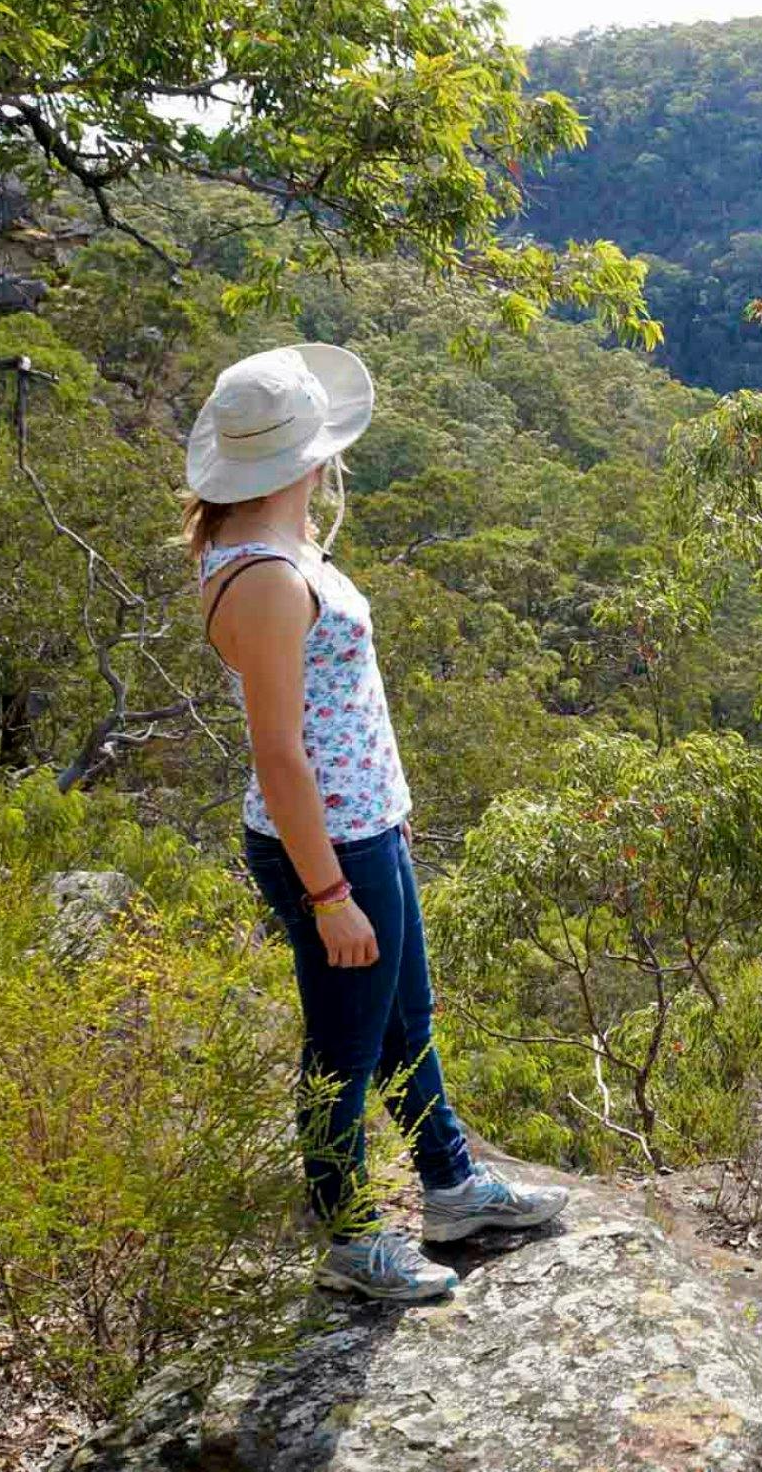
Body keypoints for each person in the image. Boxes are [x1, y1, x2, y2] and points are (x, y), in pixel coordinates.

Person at [184, 343, 566, 1301]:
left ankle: (450, 1186)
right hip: (328, 849)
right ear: (307, 459)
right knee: (344, 1050)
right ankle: (351, 1239)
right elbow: (279, 752)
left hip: (366, 827)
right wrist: (328, 895)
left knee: (406, 1022)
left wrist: (383, 824)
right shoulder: (267, 578)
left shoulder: (284, 548)